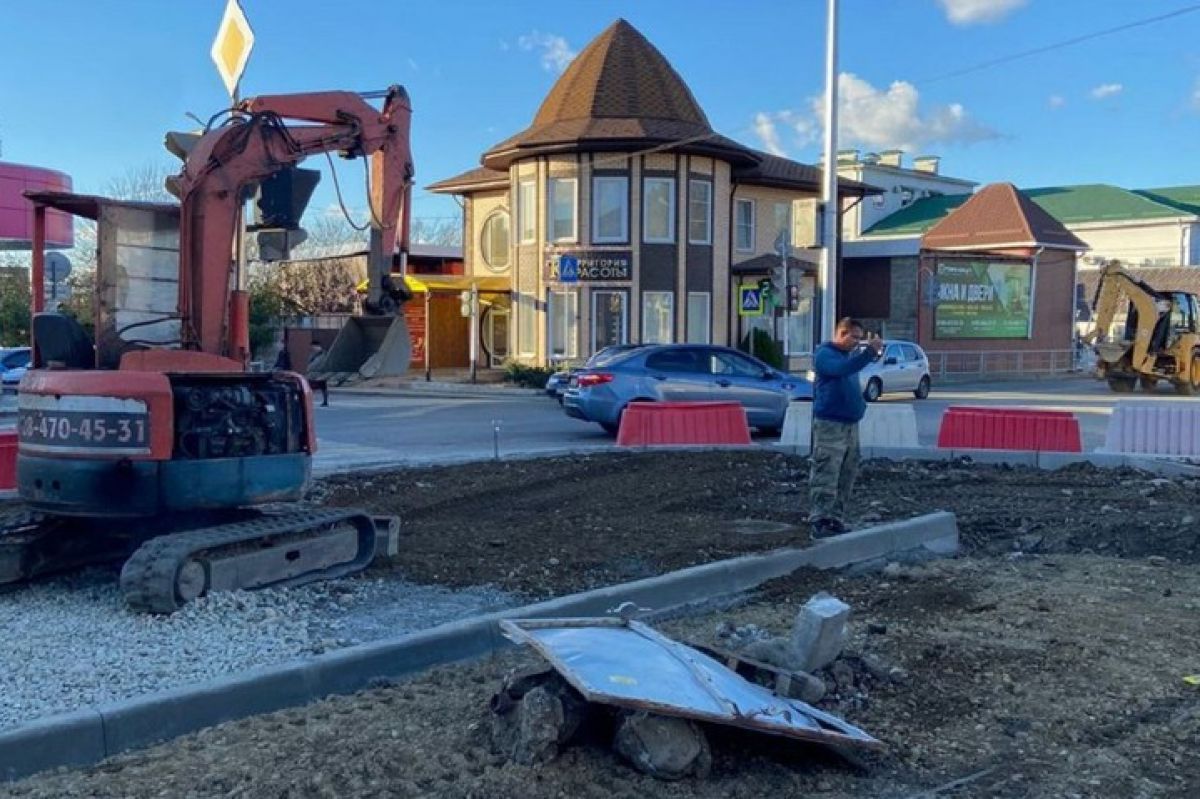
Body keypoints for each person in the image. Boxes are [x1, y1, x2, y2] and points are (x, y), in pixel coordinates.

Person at [808, 317, 883, 538]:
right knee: (827, 471)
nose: (857, 343)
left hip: (850, 424)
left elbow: (851, 370)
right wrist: (868, 353)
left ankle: (836, 518)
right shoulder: (825, 355)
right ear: (842, 333)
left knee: (846, 473)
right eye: (854, 338)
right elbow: (841, 369)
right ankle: (819, 519)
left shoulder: (848, 356)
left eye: (861, 339)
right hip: (830, 424)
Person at [308, 342, 329, 407]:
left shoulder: (323, 353)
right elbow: (310, 362)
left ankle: (325, 401)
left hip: (320, 372)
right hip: (314, 373)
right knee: (311, 387)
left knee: (323, 387)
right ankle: (309, 401)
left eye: (313, 346)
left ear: (317, 346)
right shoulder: (313, 354)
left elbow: (322, 362)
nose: (312, 348)